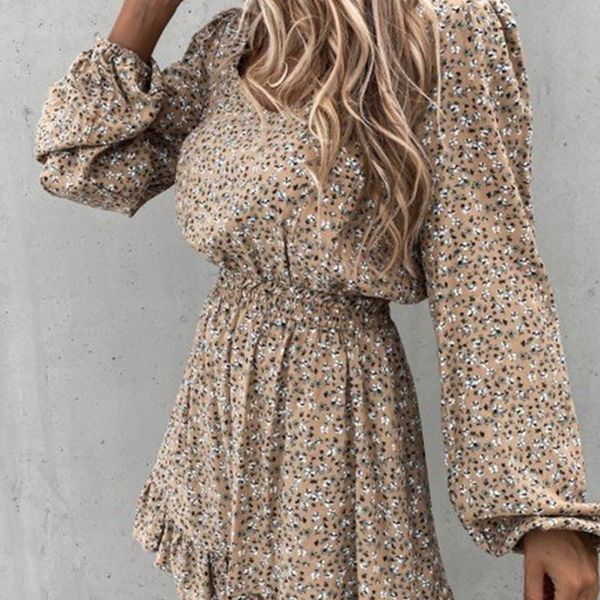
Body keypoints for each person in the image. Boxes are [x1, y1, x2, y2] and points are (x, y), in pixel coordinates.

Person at [33, 0, 600, 598]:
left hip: (332, 422)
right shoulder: (237, 41)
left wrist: (544, 513)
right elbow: (85, 166)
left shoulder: (444, 25)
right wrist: (147, 11)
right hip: (218, 413)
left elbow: (489, 282)